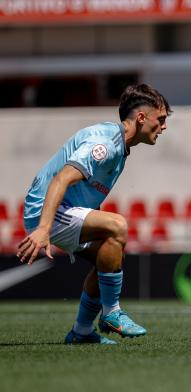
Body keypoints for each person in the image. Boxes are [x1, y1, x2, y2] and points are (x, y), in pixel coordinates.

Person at [17, 84, 171, 345]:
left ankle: (82, 331)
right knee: (118, 225)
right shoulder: (105, 145)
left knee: (110, 253)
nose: (164, 127)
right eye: (161, 119)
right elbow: (60, 180)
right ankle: (112, 313)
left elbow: (84, 193)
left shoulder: (121, 148)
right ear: (142, 118)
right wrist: (43, 229)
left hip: (63, 210)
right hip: (47, 210)